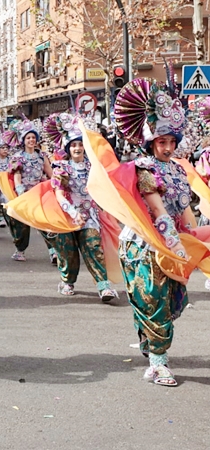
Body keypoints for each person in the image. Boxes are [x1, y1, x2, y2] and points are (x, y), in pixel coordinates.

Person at [113, 78, 193, 386]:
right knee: (152, 299)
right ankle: (159, 364)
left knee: (172, 300)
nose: (168, 147)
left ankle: (148, 341)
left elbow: (185, 210)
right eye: (161, 141)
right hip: (144, 245)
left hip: (173, 244)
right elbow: (158, 211)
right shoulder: (145, 168)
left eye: (171, 141)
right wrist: (174, 244)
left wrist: (198, 240)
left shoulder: (178, 169)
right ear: (150, 142)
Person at [45, 113, 118, 301]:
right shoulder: (62, 168)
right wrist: (72, 211)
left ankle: (104, 286)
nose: (77, 148)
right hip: (67, 216)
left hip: (90, 216)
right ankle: (67, 281)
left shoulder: (93, 166)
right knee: (68, 253)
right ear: (68, 148)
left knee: (94, 246)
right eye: (73, 145)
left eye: (80, 144)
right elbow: (59, 194)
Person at [5, 119, 54, 262]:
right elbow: (17, 177)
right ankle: (20, 250)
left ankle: (53, 251)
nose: (31, 140)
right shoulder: (18, 157)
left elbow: (50, 174)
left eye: (33, 137)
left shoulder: (42, 156)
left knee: (45, 221)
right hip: (24, 194)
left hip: (40, 194)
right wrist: (21, 194)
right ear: (23, 140)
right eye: (28, 137)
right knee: (22, 225)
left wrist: (57, 184)